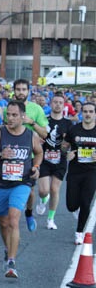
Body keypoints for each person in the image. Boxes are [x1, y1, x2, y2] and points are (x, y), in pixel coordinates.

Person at [0, 100, 43, 278]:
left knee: (14, 220)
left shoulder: (30, 136)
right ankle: (8, 250)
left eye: (15, 115)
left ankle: (12, 262)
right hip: (0, 183)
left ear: (23, 117)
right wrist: (0, 155)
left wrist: (36, 167)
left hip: (21, 182)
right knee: (4, 223)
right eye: (8, 115)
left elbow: (39, 152)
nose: (10, 118)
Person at [12, 79, 49, 232]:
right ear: (14, 91)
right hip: (12, 154)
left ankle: (28, 212)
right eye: (18, 89)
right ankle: (11, 219)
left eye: (23, 89)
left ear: (28, 91)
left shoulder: (36, 109)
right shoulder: (10, 108)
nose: (21, 92)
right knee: (10, 188)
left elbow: (45, 134)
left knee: (29, 191)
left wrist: (31, 122)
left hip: (30, 155)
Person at [36, 93, 73, 230]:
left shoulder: (68, 123)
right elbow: (36, 136)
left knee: (54, 189)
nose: (57, 104)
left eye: (60, 102)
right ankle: (43, 199)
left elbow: (70, 143)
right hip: (45, 158)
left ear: (64, 106)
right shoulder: (44, 120)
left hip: (60, 160)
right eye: (55, 102)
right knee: (44, 191)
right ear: (51, 104)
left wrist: (67, 145)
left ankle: (50, 219)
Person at [63, 102, 96, 245]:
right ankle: (76, 212)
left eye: (91, 111)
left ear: (95, 114)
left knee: (85, 202)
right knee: (71, 205)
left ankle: (79, 232)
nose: (88, 114)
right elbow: (64, 146)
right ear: (81, 113)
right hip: (75, 172)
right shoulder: (74, 130)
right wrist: (67, 153)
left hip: (92, 172)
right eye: (85, 111)